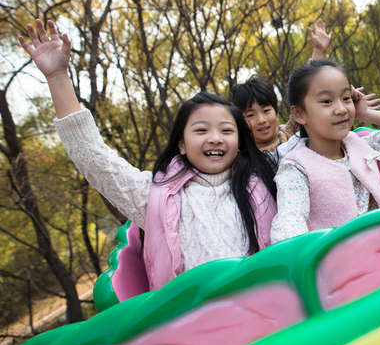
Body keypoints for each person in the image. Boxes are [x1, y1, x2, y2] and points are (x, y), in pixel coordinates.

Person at [18, 19, 277, 290]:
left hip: (270, 314)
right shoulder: (154, 196)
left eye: (226, 130)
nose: (215, 138)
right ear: (181, 144)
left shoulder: (267, 178)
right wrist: (57, 76)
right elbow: (93, 157)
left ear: (239, 140)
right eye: (201, 130)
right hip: (190, 323)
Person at [270, 59, 380, 243]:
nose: (342, 109)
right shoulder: (296, 169)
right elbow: (289, 229)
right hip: (345, 261)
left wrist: (366, 115)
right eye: (327, 101)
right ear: (299, 114)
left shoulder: (360, 145)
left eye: (346, 98)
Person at [231, 18, 380, 156]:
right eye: (250, 115)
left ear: (276, 113)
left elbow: (308, 92)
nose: (261, 120)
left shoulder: (289, 135)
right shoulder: (241, 153)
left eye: (266, 110)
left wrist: (318, 52)